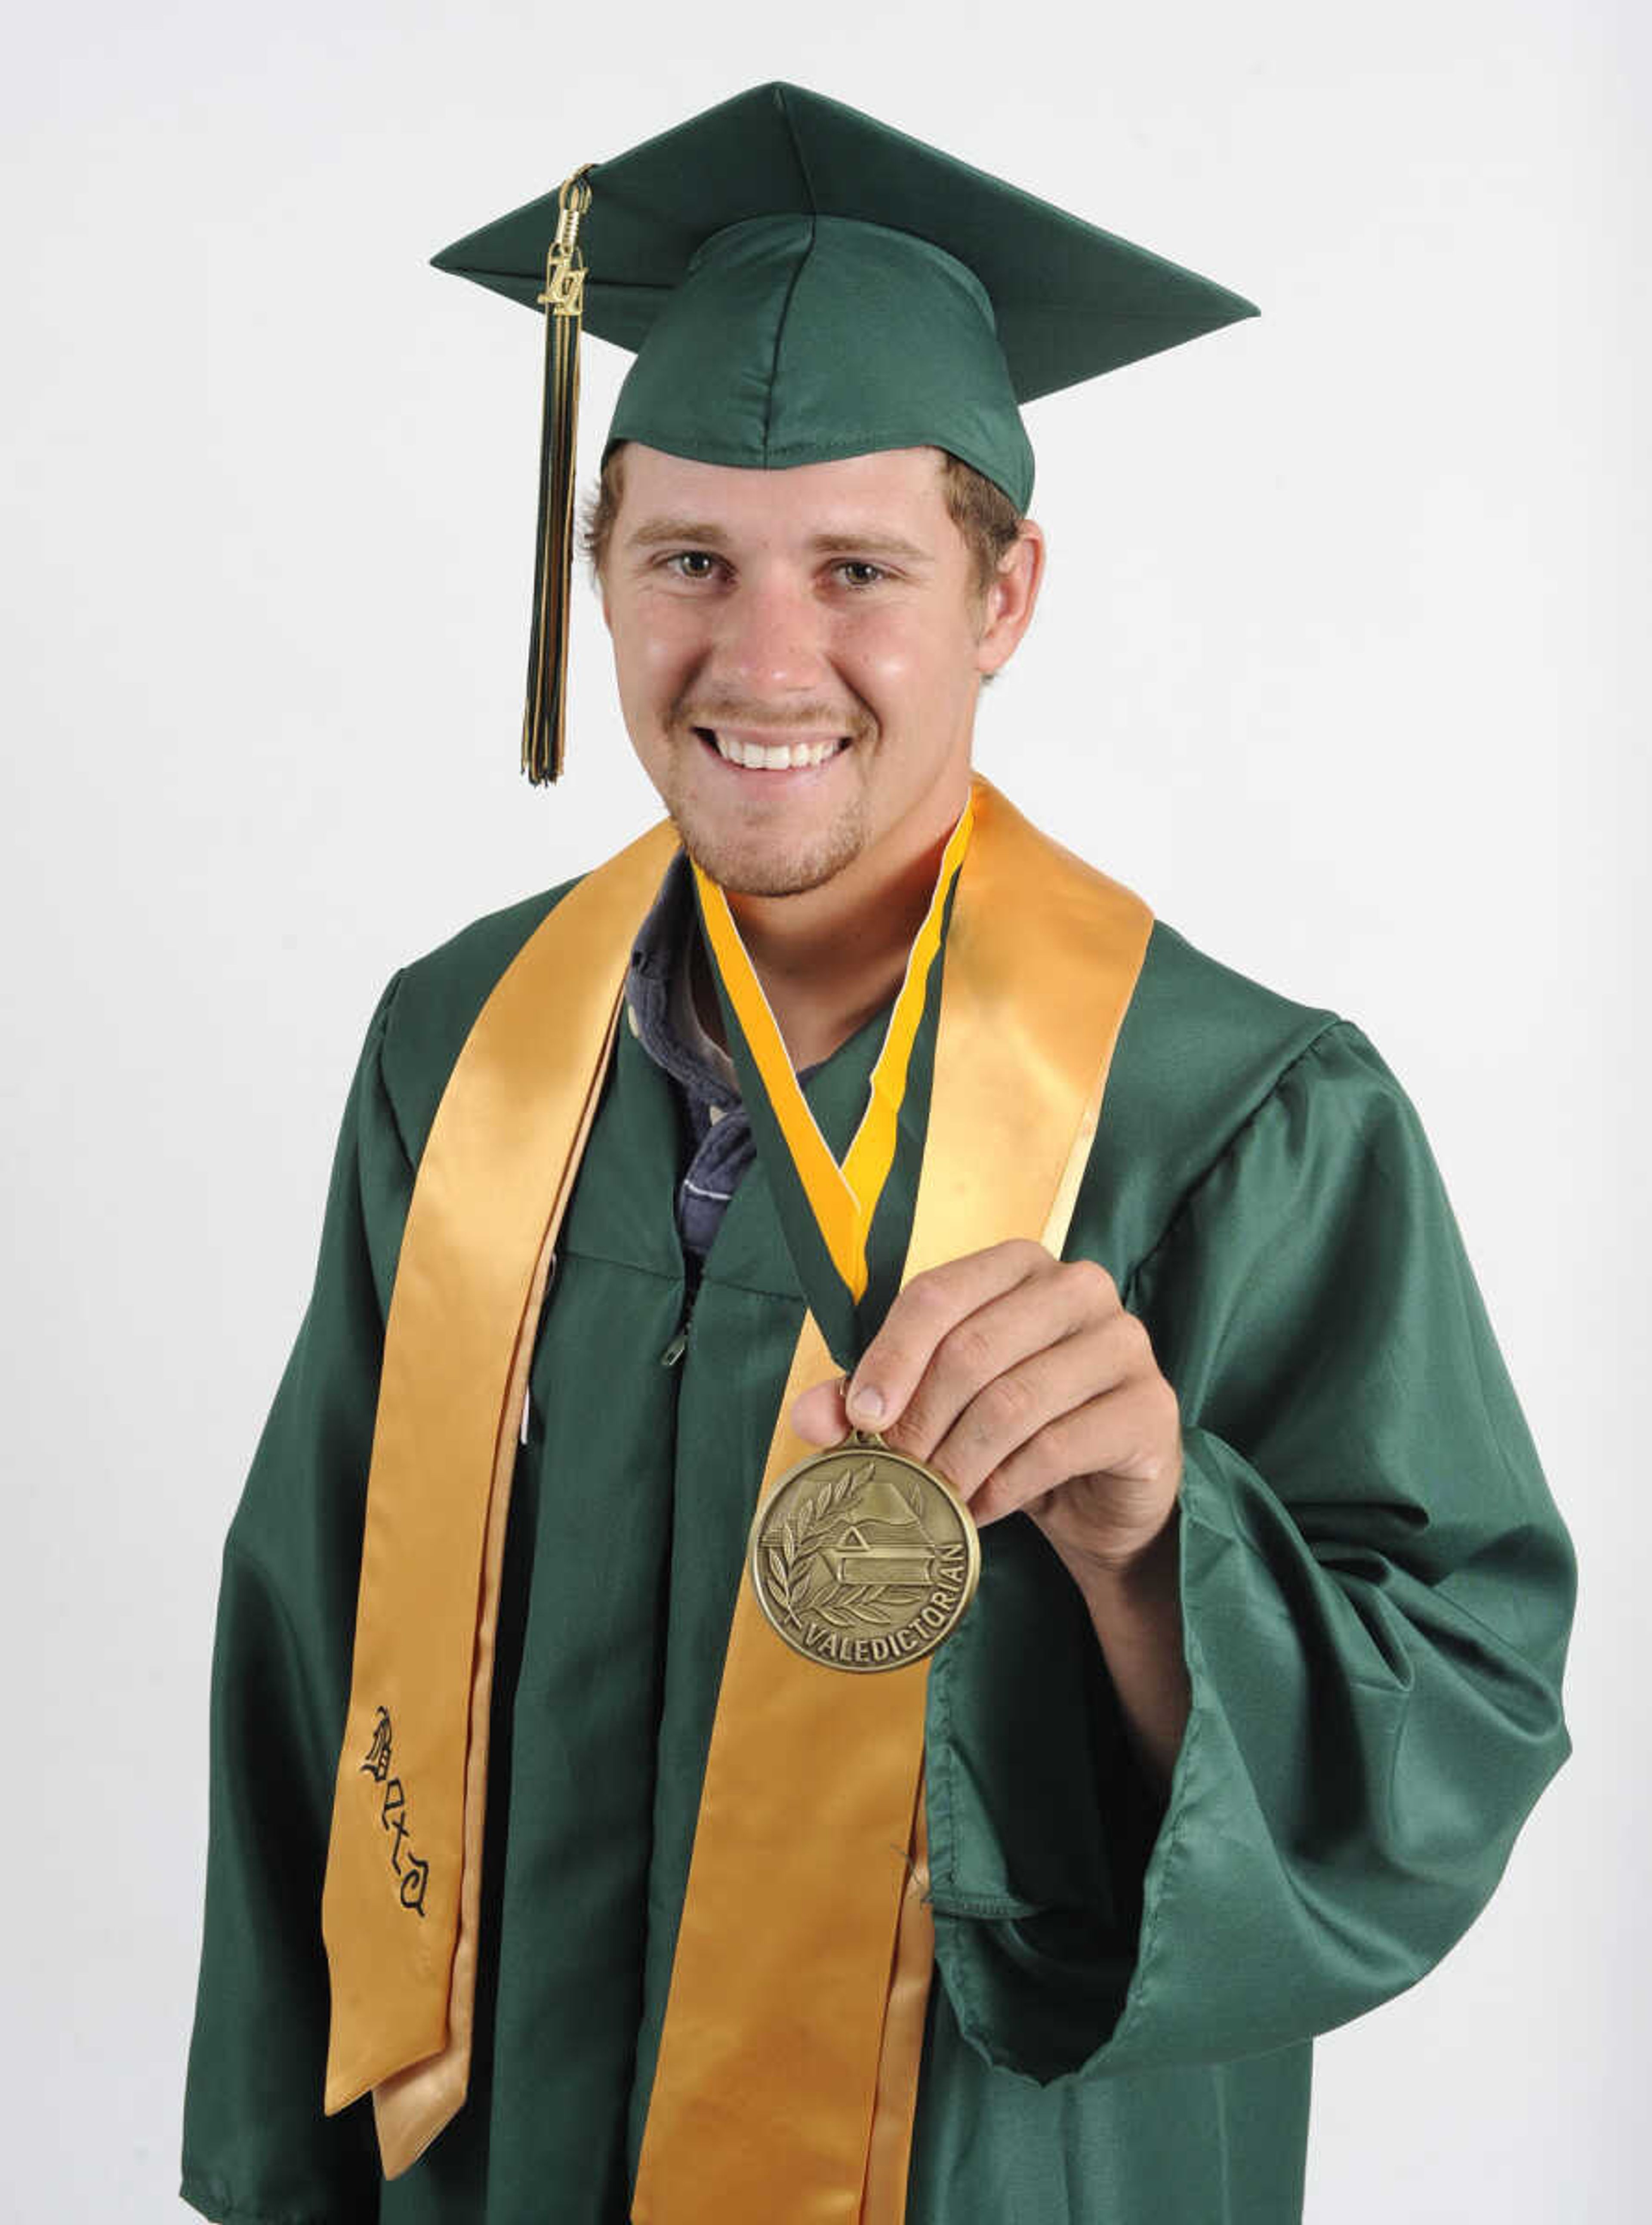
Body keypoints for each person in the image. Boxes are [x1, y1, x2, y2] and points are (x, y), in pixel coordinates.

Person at [180, 81, 1575, 2225]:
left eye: (860, 569)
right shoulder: (455, 1054)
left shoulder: (1243, 1118)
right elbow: (306, 1656)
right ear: (599, 576)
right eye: (687, 562)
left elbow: (1453, 1723)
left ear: (1004, 593)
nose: (763, 660)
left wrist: (1148, 1544)